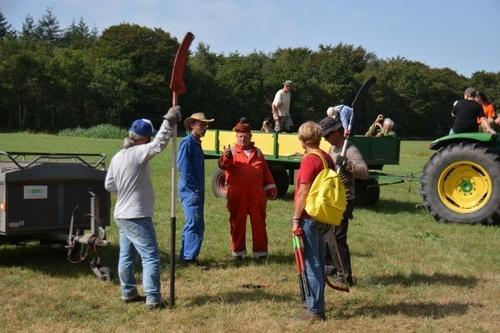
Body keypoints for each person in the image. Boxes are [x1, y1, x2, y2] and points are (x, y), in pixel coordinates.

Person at [105, 107, 181, 310]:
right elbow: (159, 145)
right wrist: (169, 120)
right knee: (150, 257)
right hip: (136, 215)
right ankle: (154, 299)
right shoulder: (139, 152)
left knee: (127, 256)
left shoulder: (118, 156)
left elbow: (109, 185)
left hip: (122, 214)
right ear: (144, 138)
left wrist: (126, 188)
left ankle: (128, 293)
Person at [319, 117, 368, 289]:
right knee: (327, 235)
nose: (325, 139)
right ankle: (330, 268)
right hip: (332, 198)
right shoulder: (333, 147)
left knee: (336, 237)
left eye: (327, 135)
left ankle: (345, 277)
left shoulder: (350, 149)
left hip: (344, 199)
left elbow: (364, 173)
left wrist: (346, 164)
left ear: (337, 131)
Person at [292, 121, 334, 321]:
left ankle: (315, 309)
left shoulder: (310, 160)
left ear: (302, 140)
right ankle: (317, 304)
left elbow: (303, 191)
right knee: (317, 259)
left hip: (309, 216)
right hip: (324, 215)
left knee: (311, 262)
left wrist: (295, 219)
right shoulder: (326, 157)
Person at [218, 121, 277, 261]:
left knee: (259, 224)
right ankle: (238, 253)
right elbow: (224, 165)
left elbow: (266, 172)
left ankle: (260, 253)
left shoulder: (257, 152)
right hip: (238, 195)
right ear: (236, 137)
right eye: (239, 137)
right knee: (237, 223)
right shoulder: (231, 152)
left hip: (256, 195)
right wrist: (225, 156)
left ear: (250, 136)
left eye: (245, 136)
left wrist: (271, 187)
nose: (242, 139)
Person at [177, 112, 215, 264]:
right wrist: (194, 189)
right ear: (192, 125)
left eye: (206, 125)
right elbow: (184, 168)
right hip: (191, 191)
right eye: (201, 125)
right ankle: (189, 258)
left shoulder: (196, 142)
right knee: (194, 223)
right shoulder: (187, 143)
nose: (204, 128)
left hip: (195, 190)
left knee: (195, 223)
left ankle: (186, 255)